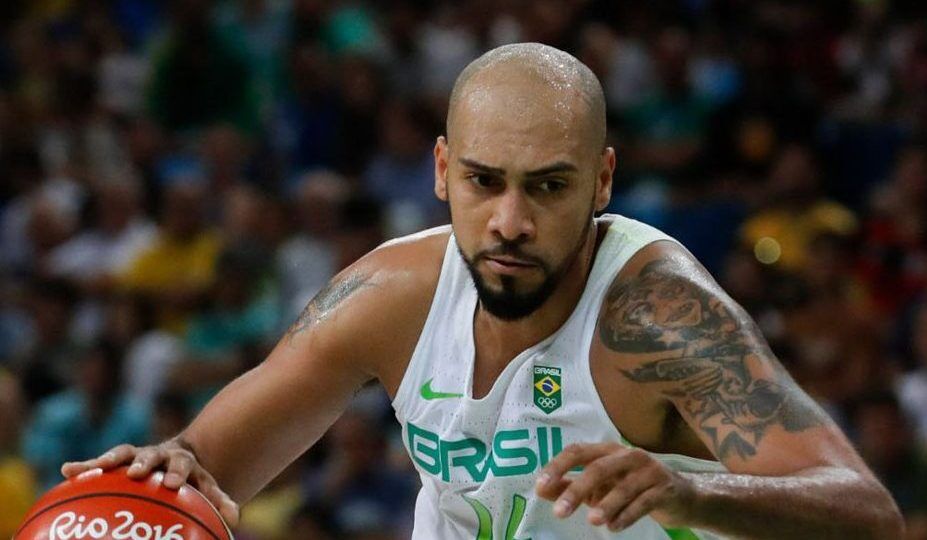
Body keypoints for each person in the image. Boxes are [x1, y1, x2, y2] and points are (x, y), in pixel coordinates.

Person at [63, 43, 902, 539]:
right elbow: (208, 467)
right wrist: (165, 468)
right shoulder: (386, 294)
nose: (508, 221)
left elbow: (866, 515)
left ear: (602, 181)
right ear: (439, 171)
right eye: (482, 181)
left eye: (547, 186)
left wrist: (689, 487)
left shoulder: (657, 318)